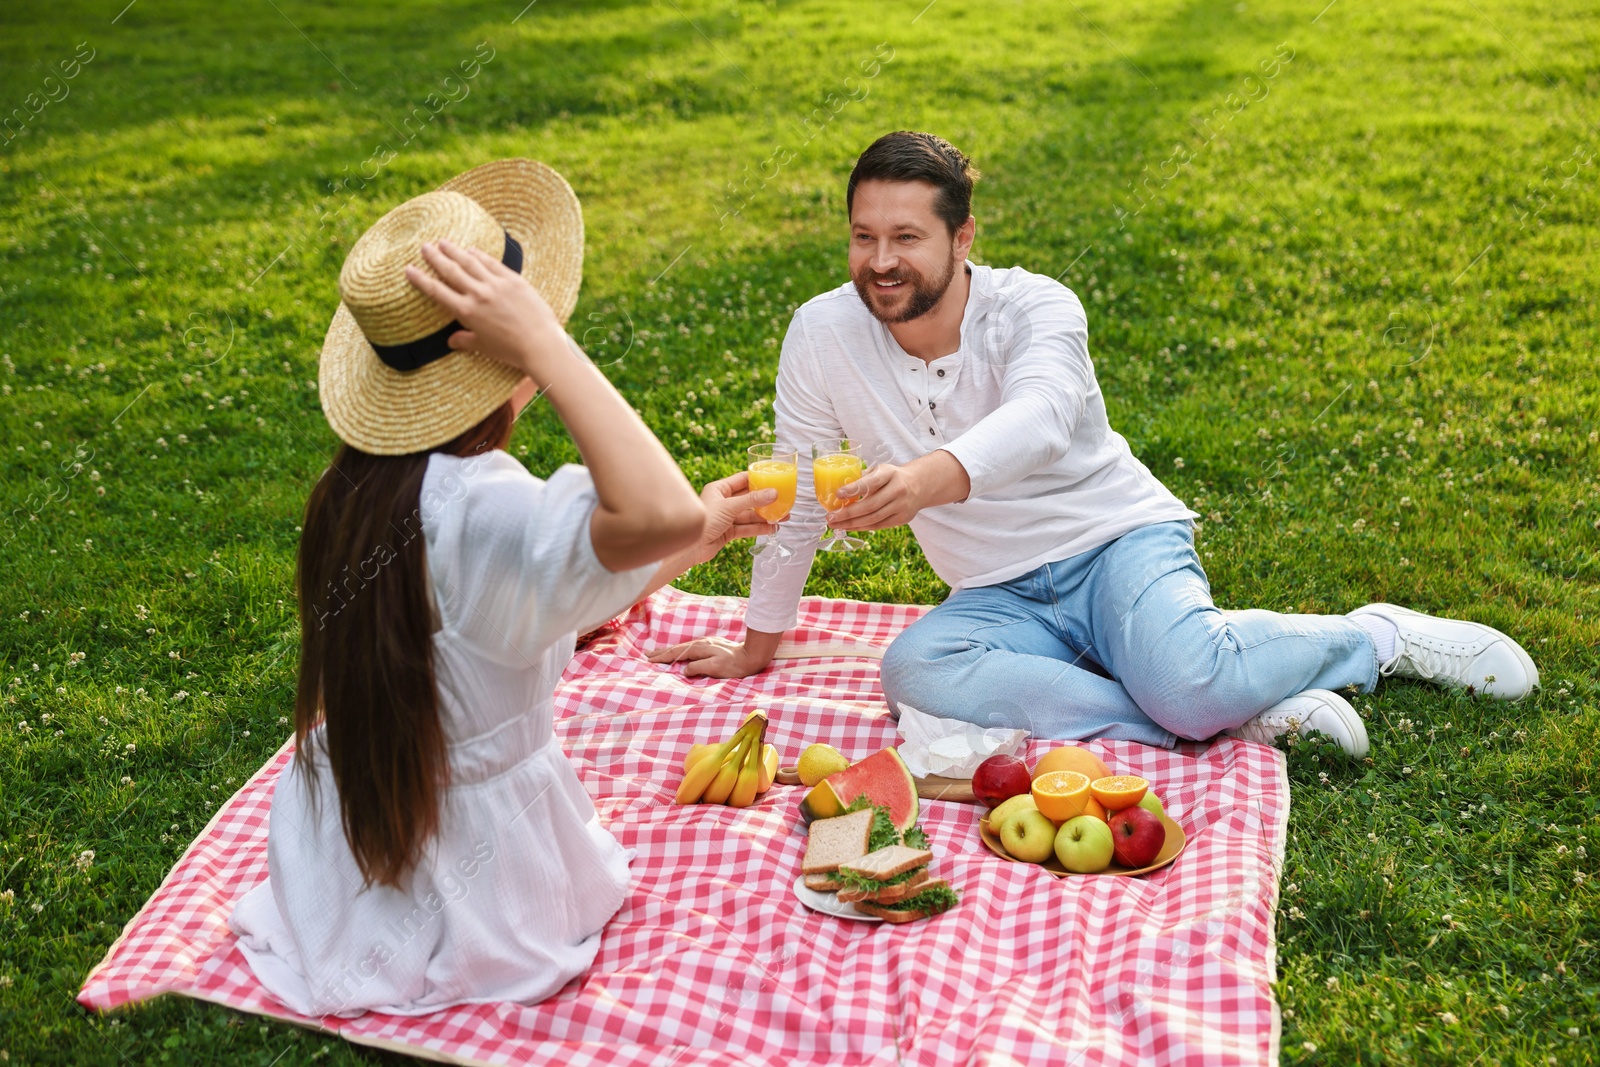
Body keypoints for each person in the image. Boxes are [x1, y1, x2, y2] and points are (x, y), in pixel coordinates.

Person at [649, 132, 1539, 756]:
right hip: (998, 592)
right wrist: (759, 644)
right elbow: (796, 488)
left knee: (1186, 677)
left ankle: (1371, 639)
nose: (881, 261)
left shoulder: (1039, 307)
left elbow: (1038, 418)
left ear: (963, 238)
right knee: (914, 674)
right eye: (863, 236)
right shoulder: (821, 331)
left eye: (907, 238)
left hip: (1115, 543)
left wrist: (928, 480)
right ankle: (1219, 710)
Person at [228, 160, 771, 1017]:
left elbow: (545, 592)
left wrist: (705, 527)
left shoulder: (361, 488)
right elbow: (654, 511)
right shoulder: (486, 506)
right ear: (502, 353)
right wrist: (548, 346)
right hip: (476, 892)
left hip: (357, 842)